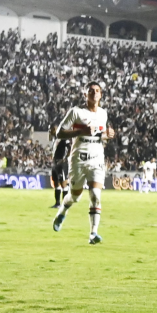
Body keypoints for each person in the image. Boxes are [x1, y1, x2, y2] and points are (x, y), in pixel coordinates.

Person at [51, 81, 114, 244]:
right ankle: (62, 212)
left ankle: (93, 233)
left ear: (101, 95)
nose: (94, 93)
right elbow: (59, 133)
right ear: (85, 94)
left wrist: (107, 135)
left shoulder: (103, 113)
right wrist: (80, 131)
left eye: (97, 91)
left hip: (97, 156)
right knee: (74, 196)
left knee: (95, 194)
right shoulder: (76, 112)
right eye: (91, 91)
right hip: (79, 157)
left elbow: (100, 136)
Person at [49, 133, 71, 208]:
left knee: (63, 183)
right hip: (55, 163)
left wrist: (65, 159)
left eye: (51, 129)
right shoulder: (55, 139)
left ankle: (65, 204)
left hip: (62, 164)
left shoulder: (65, 139)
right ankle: (57, 203)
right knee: (56, 183)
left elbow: (70, 149)